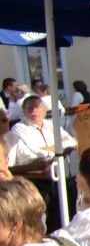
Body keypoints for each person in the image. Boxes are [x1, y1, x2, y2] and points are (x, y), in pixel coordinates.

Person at [7, 95, 79, 232]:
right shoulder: (19, 129)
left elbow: (71, 142)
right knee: (49, 219)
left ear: (44, 110)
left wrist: (54, 149)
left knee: (69, 212)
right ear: (24, 111)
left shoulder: (51, 125)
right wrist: (56, 149)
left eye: (38, 107)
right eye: (30, 108)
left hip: (61, 176)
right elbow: (36, 152)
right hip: (37, 179)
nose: (34, 111)